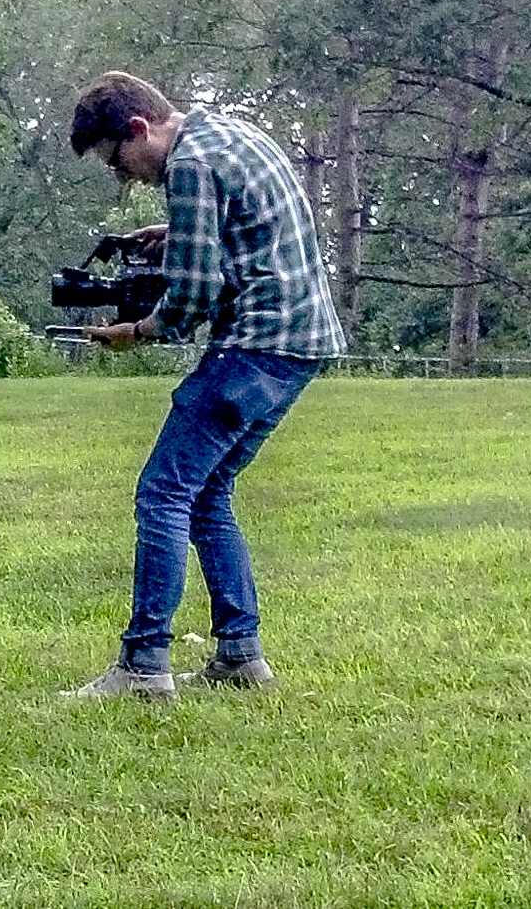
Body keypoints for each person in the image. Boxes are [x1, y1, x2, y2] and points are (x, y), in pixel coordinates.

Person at [62, 71, 347, 700]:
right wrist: (172, 234)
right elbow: (247, 227)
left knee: (162, 492)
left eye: (119, 162)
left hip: (255, 348)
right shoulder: (225, 133)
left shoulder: (189, 166)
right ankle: (240, 656)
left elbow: (195, 294)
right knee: (208, 491)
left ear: (138, 128)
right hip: (303, 346)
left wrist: (137, 331)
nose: (126, 178)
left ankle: (142, 667)